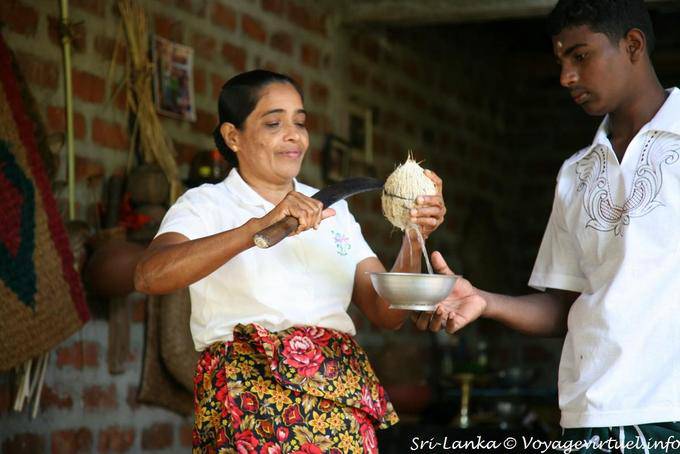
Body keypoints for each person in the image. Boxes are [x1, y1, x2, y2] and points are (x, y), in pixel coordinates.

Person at [134, 69, 446, 453]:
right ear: (234, 136)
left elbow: (387, 312)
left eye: (300, 122)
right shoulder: (205, 205)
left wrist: (415, 233)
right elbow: (150, 276)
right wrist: (258, 227)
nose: (294, 135)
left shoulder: (335, 210)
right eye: (273, 123)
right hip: (248, 407)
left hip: (339, 406)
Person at [415, 0, 680, 450]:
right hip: (588, 415)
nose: (566, 77)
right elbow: (564, 305)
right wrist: (483, 300)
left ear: (633, 45)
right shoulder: (575, 173)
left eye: (580, 56)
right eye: (560, 61)